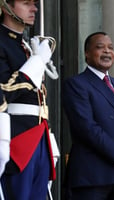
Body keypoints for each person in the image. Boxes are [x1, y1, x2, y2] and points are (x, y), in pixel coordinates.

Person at [62, 31, 114, 200]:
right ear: (87, 53)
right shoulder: (76, 84)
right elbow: (87, 129)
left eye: (111, 48)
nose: (107, 51)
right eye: (100, 47)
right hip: (92, 178)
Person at [0, 0, 57, 199]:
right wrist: (36, 61)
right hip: (16, 139)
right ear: (5, 6)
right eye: (26, 3)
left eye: (34, 3)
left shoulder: (24, 44)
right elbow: (5, 90)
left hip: (38, 135)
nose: (34, 9)